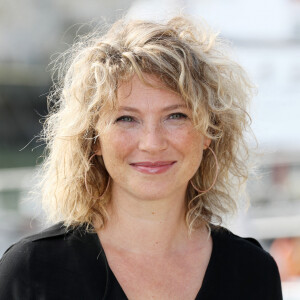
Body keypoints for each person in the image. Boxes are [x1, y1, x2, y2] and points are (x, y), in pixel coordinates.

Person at [0, 15, 282, 299]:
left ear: (209, 131)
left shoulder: (253, 272)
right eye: (126, 119)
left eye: (176, 116)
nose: (152, 143)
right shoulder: (31, 271)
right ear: (93, 139)